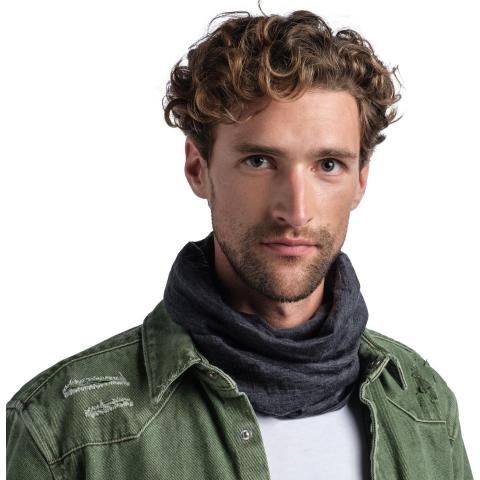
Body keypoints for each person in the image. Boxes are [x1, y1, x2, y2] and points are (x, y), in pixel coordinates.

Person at [6, 9, 473, 480]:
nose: (296, 211)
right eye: (259, 161)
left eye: (328, 165)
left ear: (360, 181)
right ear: (198, 169)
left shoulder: (425, 406)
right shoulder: (66, 427)